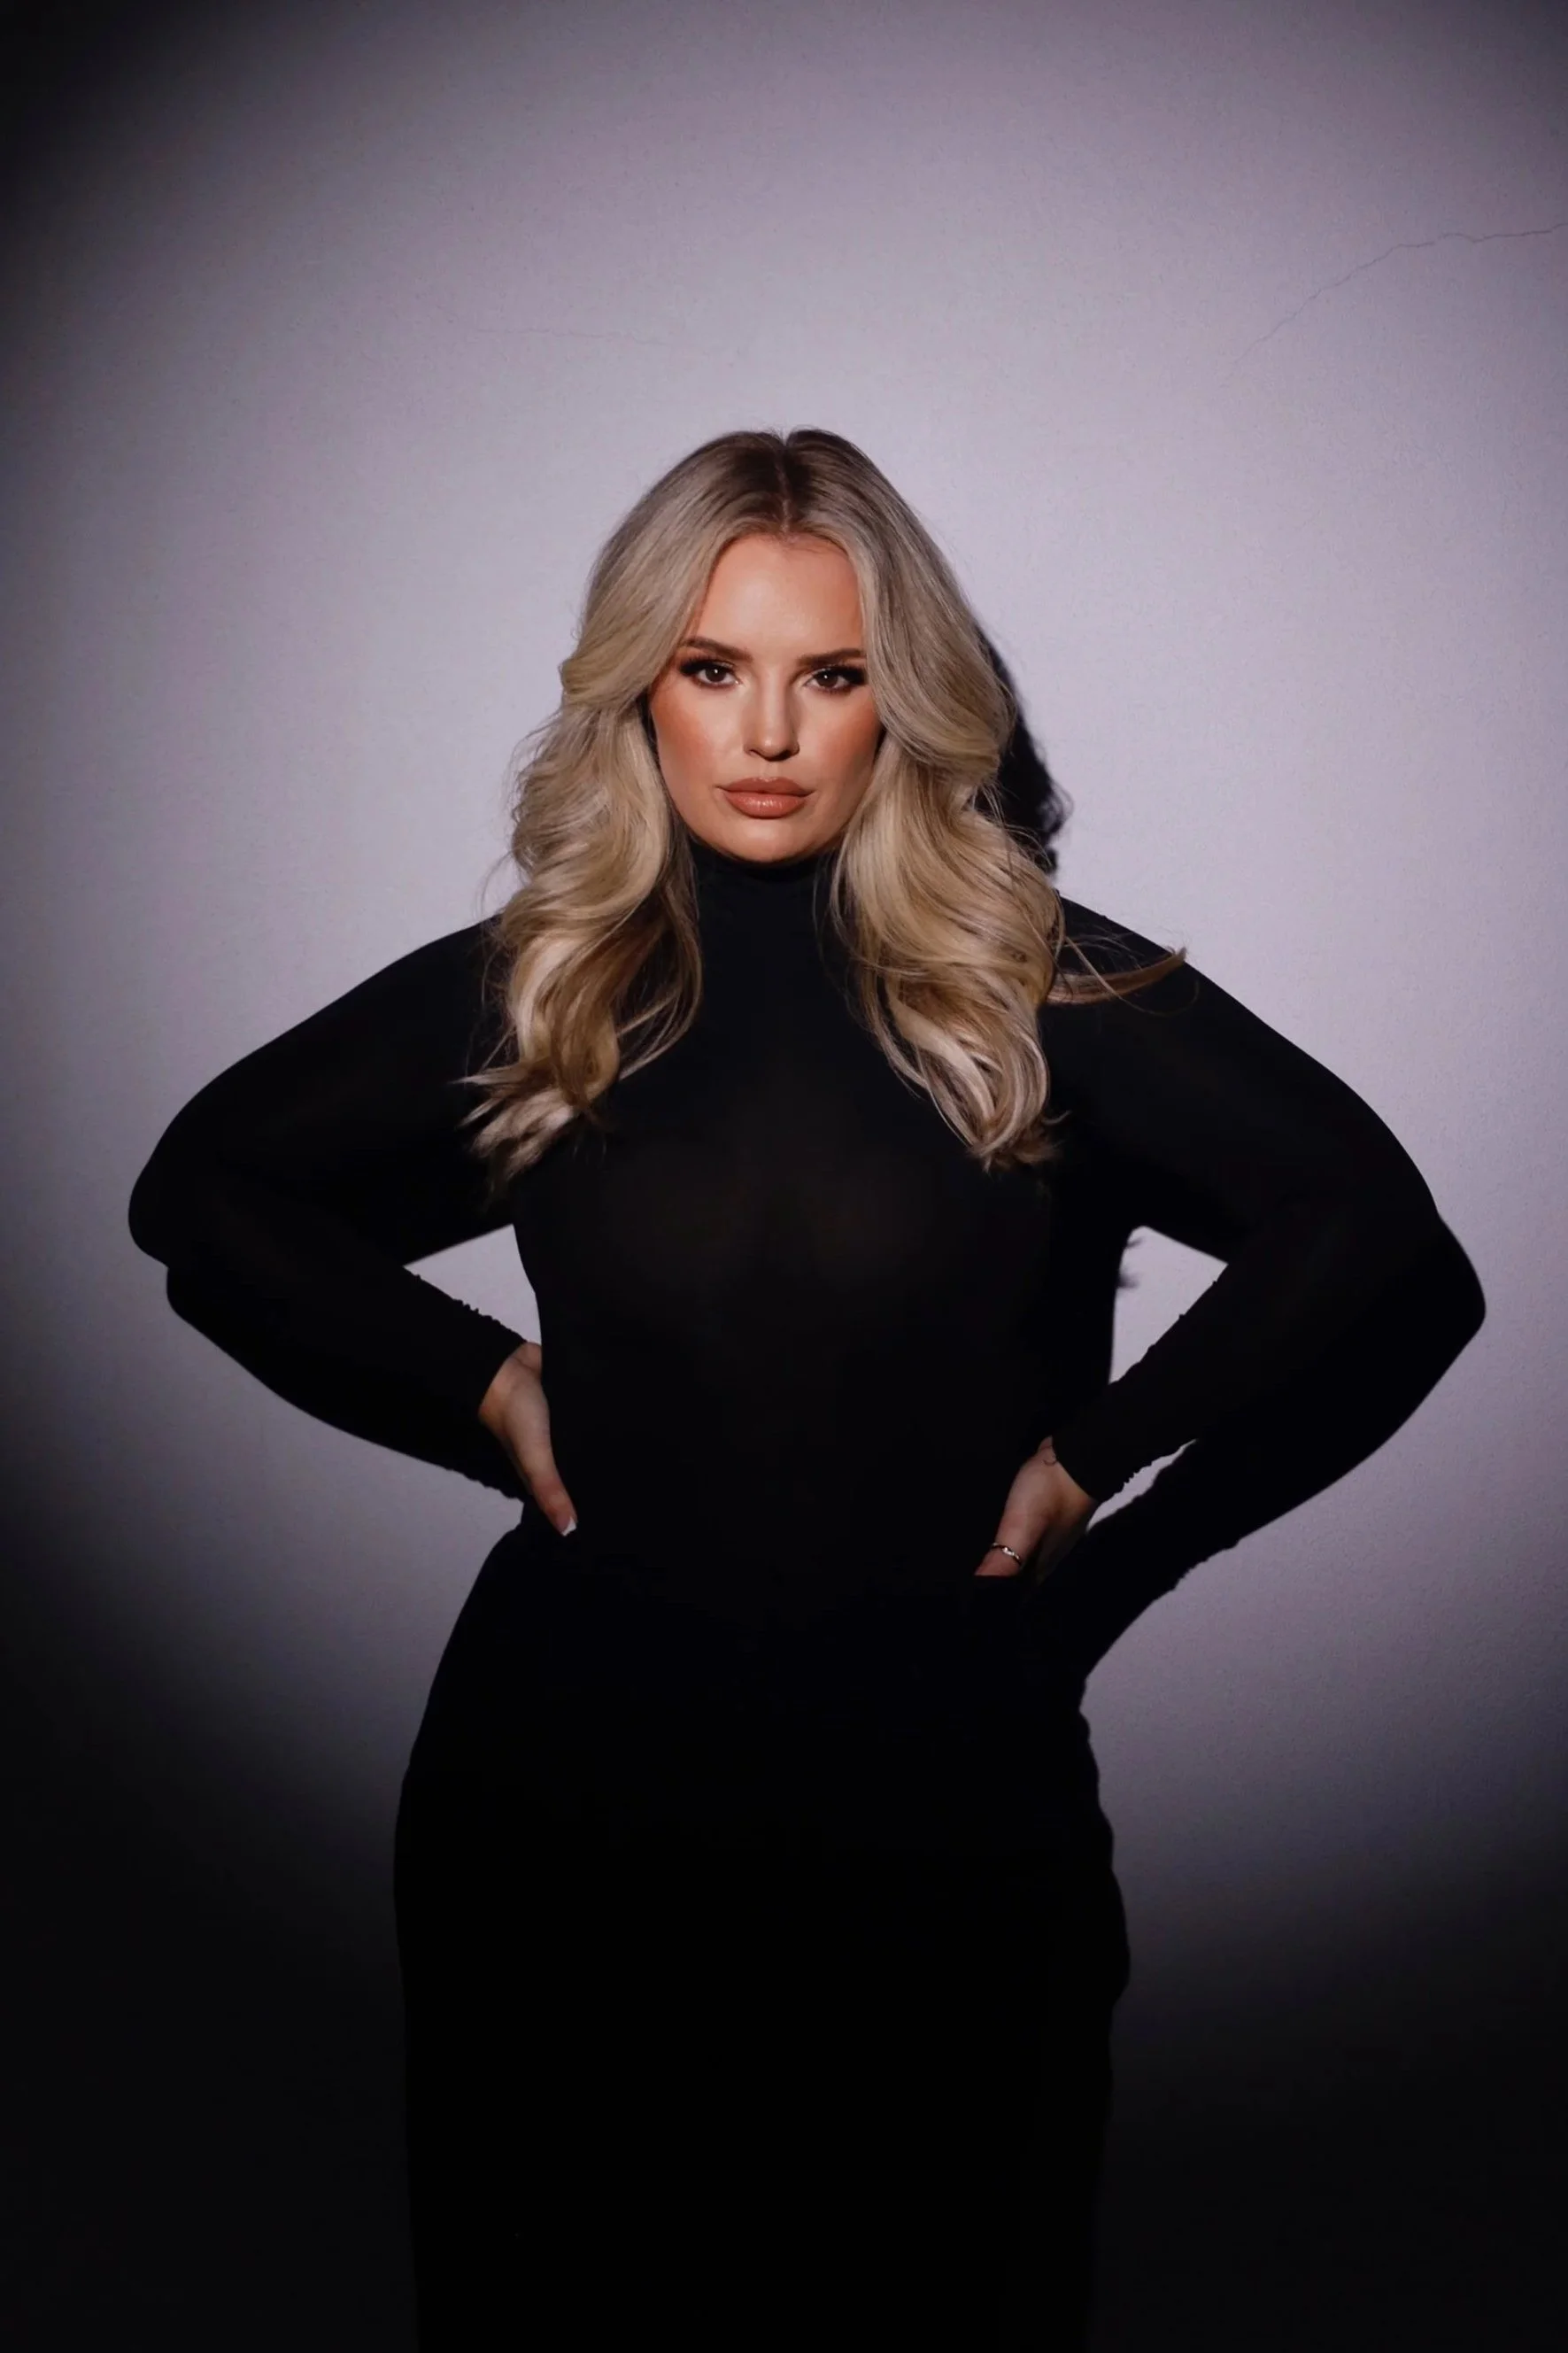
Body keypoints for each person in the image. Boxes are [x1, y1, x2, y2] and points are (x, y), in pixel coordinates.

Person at [127, 427, 1486, 2351]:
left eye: (830, 674)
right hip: (562, 1819)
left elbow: (1376, 1229)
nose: (768, 731)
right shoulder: (554, 981)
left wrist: (1106, 1472)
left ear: (899, 705)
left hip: (944, 1821)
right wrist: (479, 1379)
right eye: (712, 668)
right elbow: (200, 1189)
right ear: (641, 692)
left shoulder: (1029, 988)